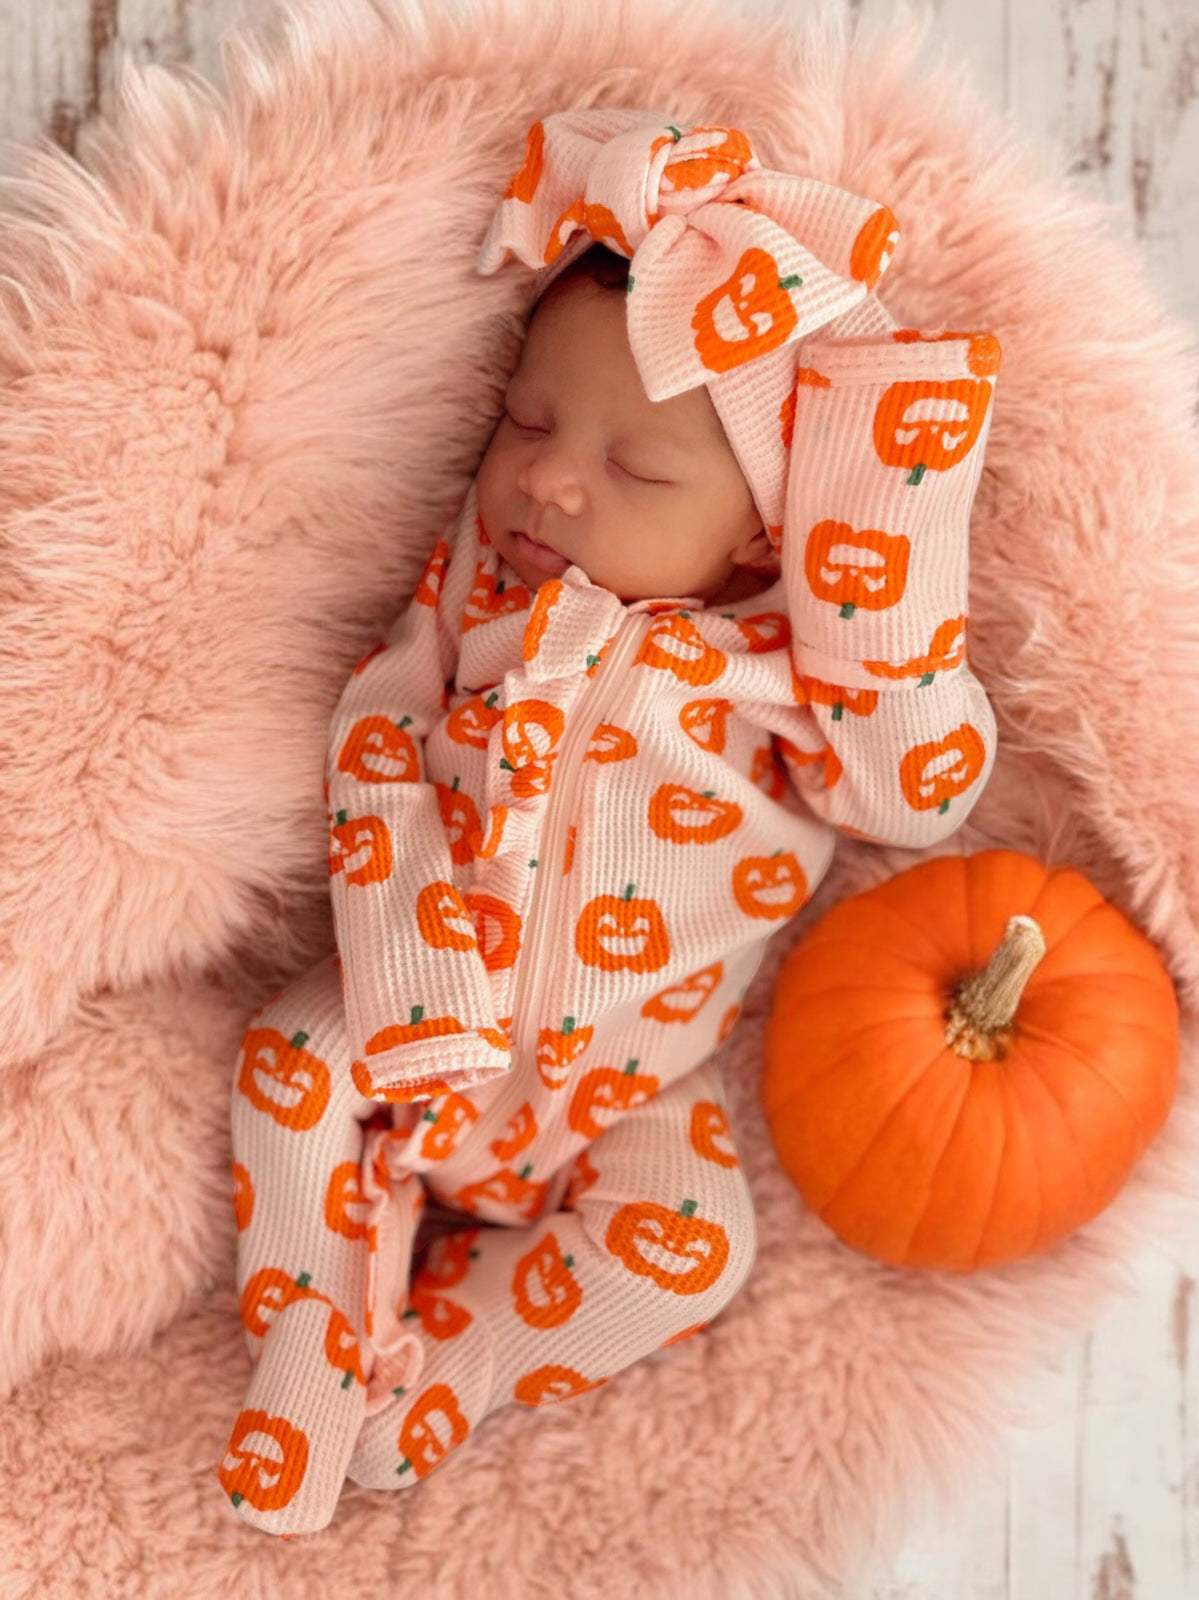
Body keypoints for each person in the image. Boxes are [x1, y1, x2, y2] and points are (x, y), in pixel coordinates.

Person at [219, 110, 1000, 1536]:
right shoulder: (472, 620)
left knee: (697, 1256)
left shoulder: (783, 686)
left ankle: (445, 1365)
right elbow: (374, 749)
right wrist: (414, 981)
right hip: (421, 1019)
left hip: (625, 1095)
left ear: (762, 534)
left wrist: (885, 540)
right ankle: (319, 1345)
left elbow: (923, 791)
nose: (551, 478)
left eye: (639, 473)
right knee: (290, 1059)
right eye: (528, 424)